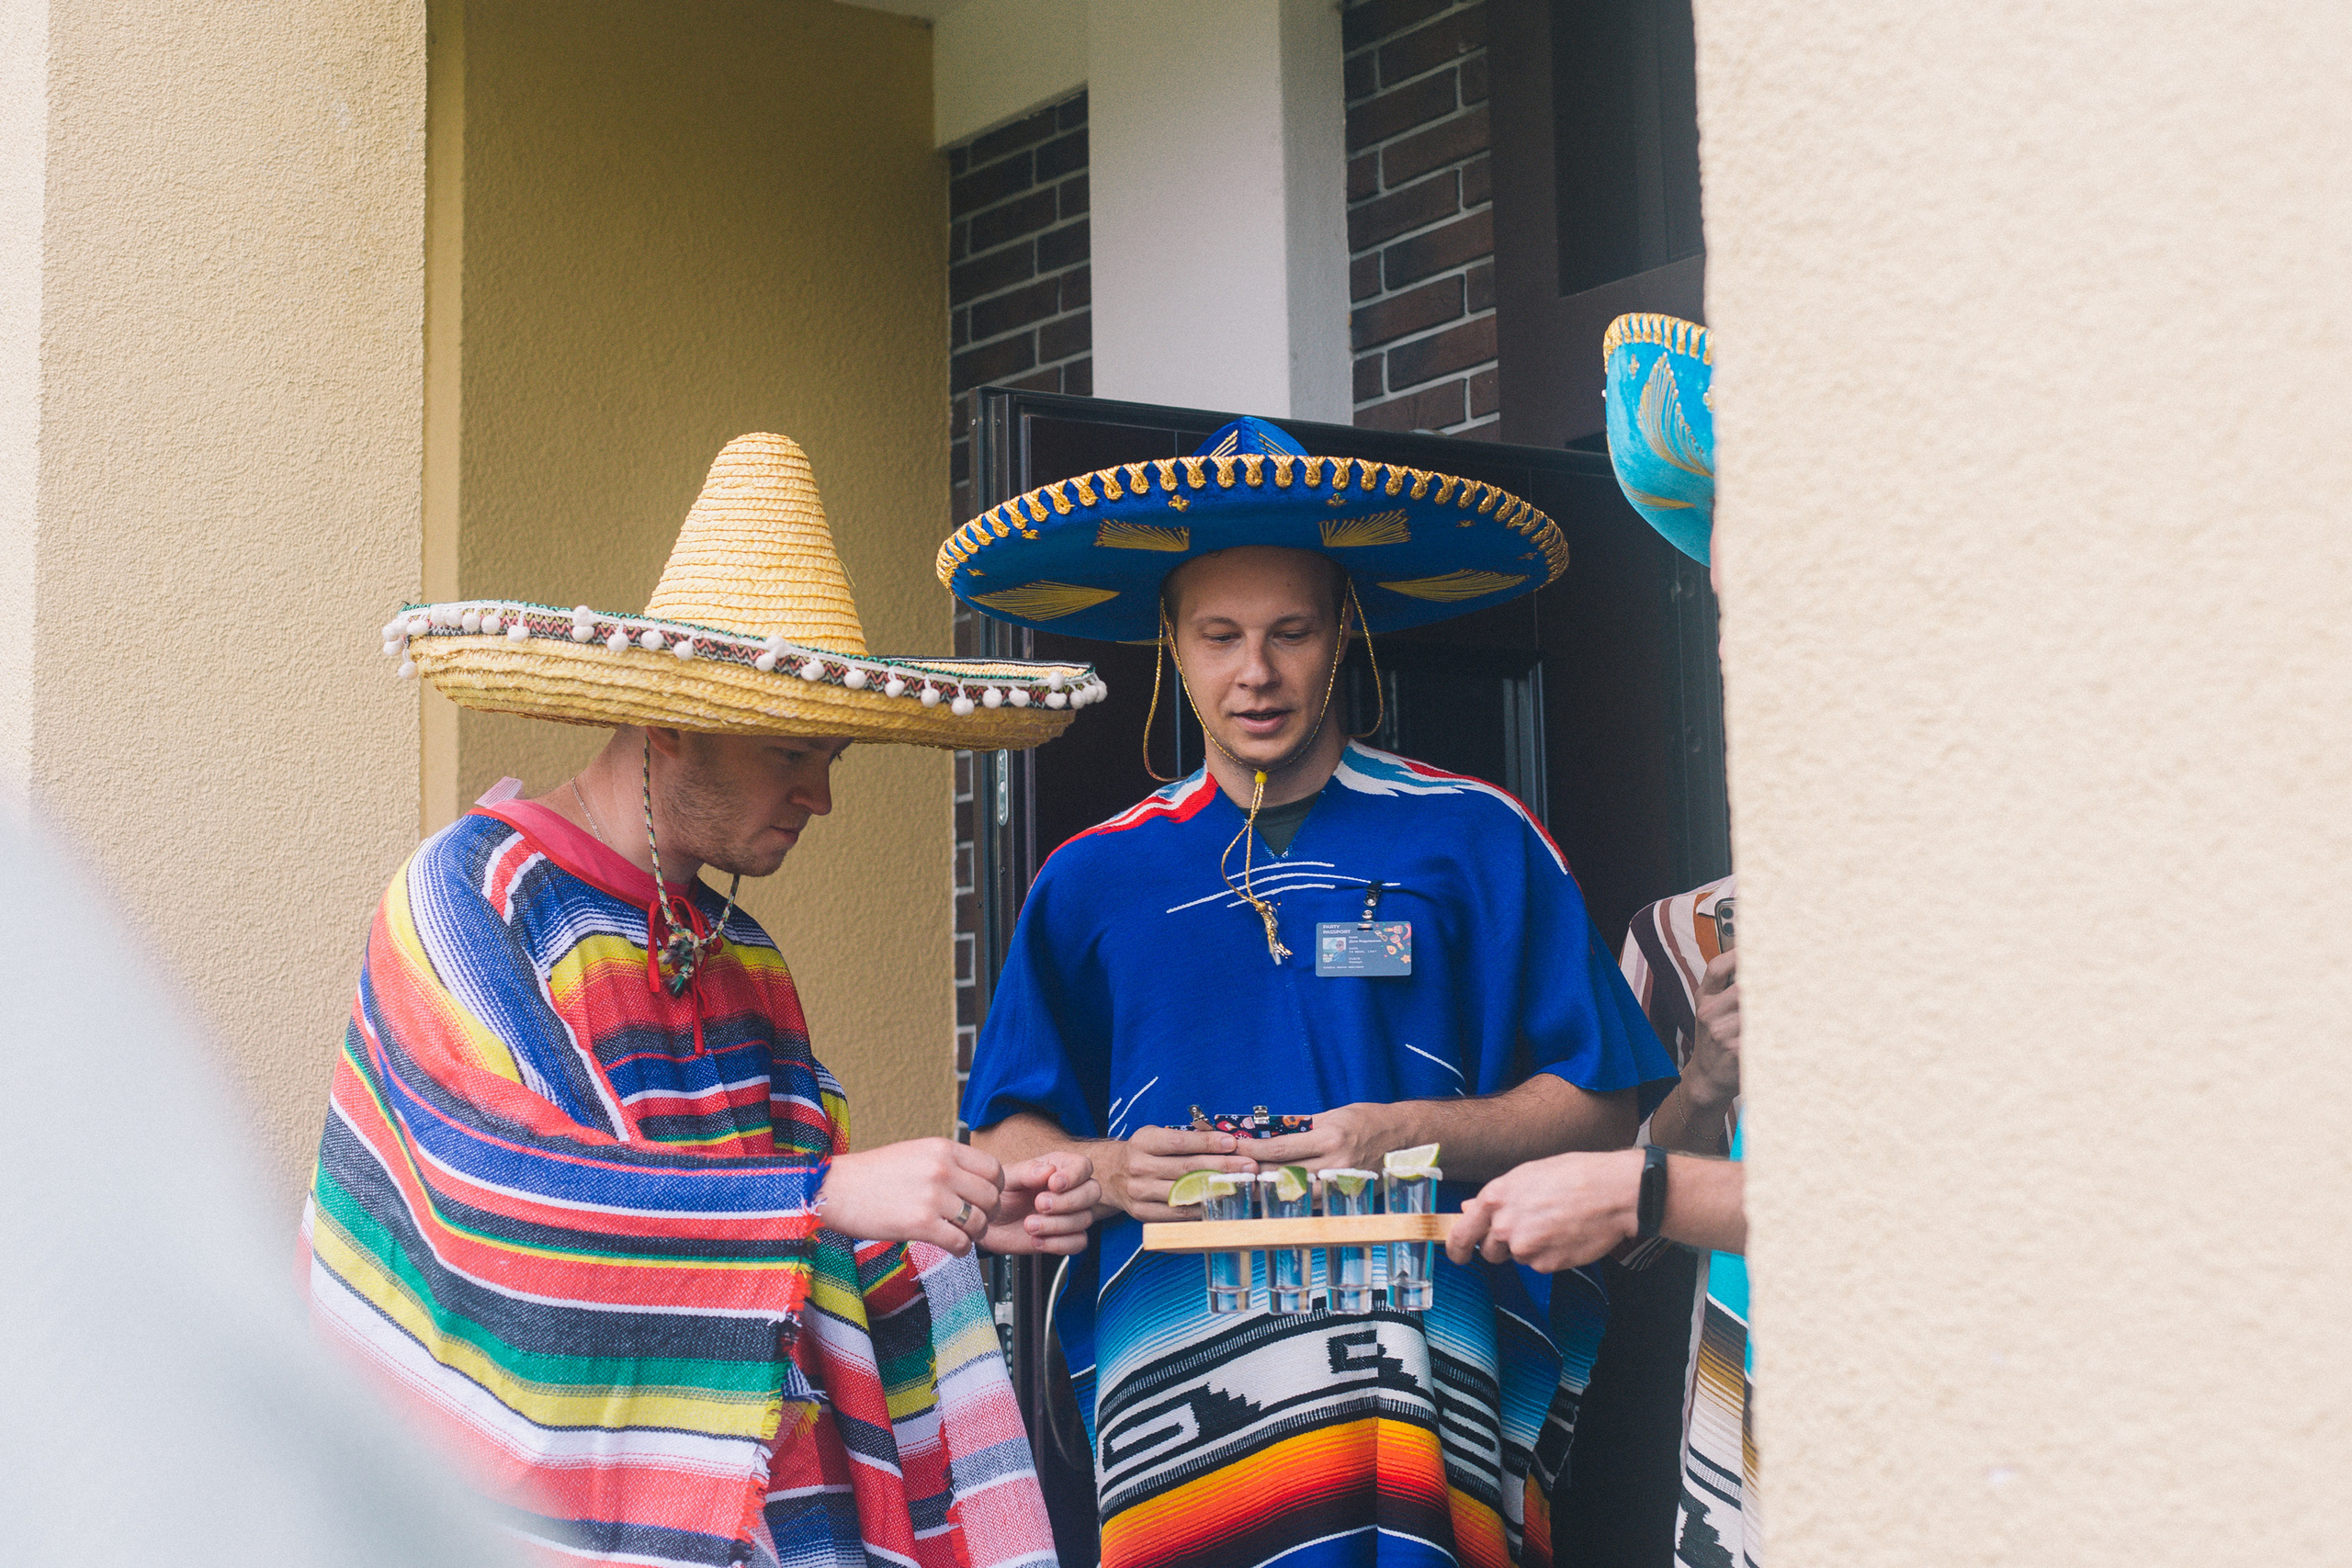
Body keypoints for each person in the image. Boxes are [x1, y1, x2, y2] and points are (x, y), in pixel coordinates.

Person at [305, 434, 1115, 1568]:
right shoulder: (466, 899)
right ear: (670, 721)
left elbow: (802, 1244)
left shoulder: (745, 958)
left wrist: (950, 1218)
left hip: (773, 1520)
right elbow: (497, 1210)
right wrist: (827, 1191)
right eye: (793, 749)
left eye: (833, 754)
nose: (821, 797)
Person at [937, 418, 1680, 1568]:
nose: (1256, 672)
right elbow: (1006, 1133)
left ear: (1345, 630)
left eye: (1290, 631)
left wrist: (1408, 1131)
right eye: (1220, 635)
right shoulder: (1092, 878)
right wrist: (1116, 1167)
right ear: (1171, 644)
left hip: (1427, 1361)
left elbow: (1607, 1114)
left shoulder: (1475, 840)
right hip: (1178, 1377)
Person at [1447, 315, 1759, 1568]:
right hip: (1742, 1399)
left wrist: (1639, 1180)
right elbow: (1636, 1220)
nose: (1736, 647)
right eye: (1726, 604)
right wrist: (1708, 1083)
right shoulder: (1683, 932)